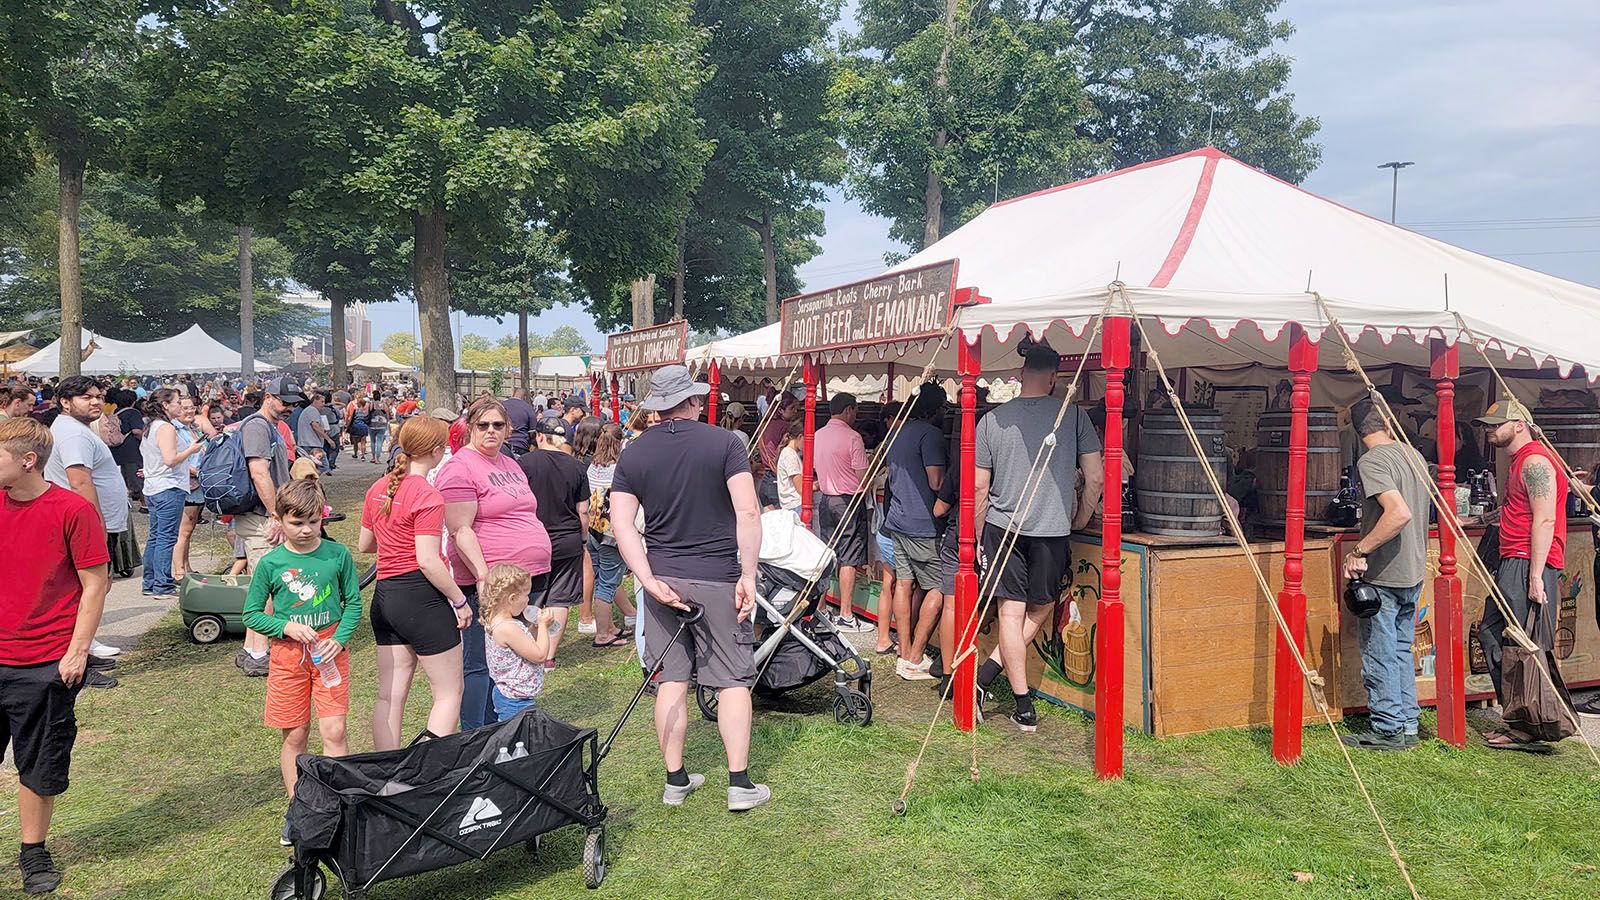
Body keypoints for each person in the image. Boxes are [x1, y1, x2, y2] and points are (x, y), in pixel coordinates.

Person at [609, 364, 770, 811]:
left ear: (658, 407)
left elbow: (622, 525)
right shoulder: (725, 443)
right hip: (718, 574)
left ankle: (675, 779)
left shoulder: (635, 453)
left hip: (663, 576)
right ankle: (739, 783)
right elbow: (749, 513)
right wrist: (749, 574)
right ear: (695, 402)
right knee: (733, 679)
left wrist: (646, 580)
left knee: (670, 679)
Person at [0, 417, 110, 893]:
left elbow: (95, 583)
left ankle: (33, 852)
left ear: (28, 461)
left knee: (37, 763)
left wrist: (77, 651)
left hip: (43, 662)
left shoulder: (71, 509)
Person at [972, 344, 1104, 732]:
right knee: (1040, 607)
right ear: (1052, 378)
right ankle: (1020, 701)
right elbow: (1095, 477)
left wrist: (981, 535)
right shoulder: (1074, 416)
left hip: (1002, 526)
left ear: (1019, 373)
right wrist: (1079, 517)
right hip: (1052, 528)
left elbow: (980, 488)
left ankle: (998, 688)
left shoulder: (991, 420)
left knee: (1011, 613)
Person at [242, 478, 361, 847]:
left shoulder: (337, 555)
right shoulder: (271, 563)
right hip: (287, 659)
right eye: (297, 523)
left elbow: (353, 604)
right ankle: (299, 811)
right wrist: (285, 626)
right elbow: (251, 615)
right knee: (296, 735)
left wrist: (338, 640)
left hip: (329, 656)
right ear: (279, 520)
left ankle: (335, 805)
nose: (307, 530)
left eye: (314, 521)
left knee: (335, 732)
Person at [436, 397, 554, 731]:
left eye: (497, 425)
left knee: (514, 655)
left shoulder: (510, 463)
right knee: (479, 662)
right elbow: (460, 528)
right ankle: (477, 732)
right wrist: (482, 575)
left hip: (527, 577)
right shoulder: (460, 467)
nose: (490, 431)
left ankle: (508, 722)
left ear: (508, 429)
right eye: (483, 425)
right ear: (470, 428)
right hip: (490, 583)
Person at [358, 417, 470, 750]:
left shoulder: (378, 488)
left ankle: (388, 775)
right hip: (421, 597)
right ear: (437, 451)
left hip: (385, 597)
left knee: (389, 697)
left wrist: (394, 540)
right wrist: (459, 600)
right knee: (449, 694)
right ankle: (425, 773)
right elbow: (428, 559)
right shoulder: (428, 495)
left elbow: (365, 544)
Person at [1474, 398, 1569, 751]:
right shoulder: (1521, 461)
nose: (1488, 430)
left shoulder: (1534, 461)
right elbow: (1521, 510)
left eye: (1494, 424)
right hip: (1517, 559)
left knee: (1523, 644)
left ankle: (1529, 724)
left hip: (1527, 561)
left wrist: (1534, 576)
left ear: (1518, 424)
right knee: (1496, 633)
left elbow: (1544, 519)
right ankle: (1518, 719)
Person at [1339, 398, 1430, 751]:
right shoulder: (1413, 454)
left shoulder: (1372, 460)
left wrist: (1360, 550)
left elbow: (1399, 513)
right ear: (1388, 423)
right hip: (1412, 568)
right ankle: (1407, 722)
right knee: (1401, 649)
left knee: (1380, 651)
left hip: (1387, 573)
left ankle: (1388, 726)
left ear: (1356, 430)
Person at [235, 378, 303, 678]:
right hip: (262, 517)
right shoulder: (257, 426)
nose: (289, 407)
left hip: (265, 515)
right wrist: (277, 515)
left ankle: (251, 649)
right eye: (284, 401)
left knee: (261, 586)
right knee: (270, 589)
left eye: (292, 403)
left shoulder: (268, 426)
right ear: (268, 397)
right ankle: (260, 654)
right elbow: (259, 472)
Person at [883, 384, 948, 680]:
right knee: (937, 588)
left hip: (898, 520)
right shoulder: (931, 435)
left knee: (904, 584)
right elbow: (936, 482)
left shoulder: (897, 432)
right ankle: (916, 656)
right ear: (936, 410)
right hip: (924, 524)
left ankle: (904, 649)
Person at [45, 377, 134, 592]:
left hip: (92, 522)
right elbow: (80, 482)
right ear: (65, 402)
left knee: (96, 587)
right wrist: (96, 524)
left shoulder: (75, 429)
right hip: (87, 524)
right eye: (86, 397)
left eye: (99, 397)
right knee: (93, 588)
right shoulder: (74, 434)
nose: (96, 402)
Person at [518, 418, 590, 662]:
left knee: (531, 594)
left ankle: (532, 648)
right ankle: (548, 655)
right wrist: (583, 538)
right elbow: (583, 510)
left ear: (539, 436)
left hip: (532, 537)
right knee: (560, 598)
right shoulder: (577, 467)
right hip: (567, 538)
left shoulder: (524, 463)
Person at [813, 393, 872, 634]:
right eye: (855, 411)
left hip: (826, 499)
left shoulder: (817, 435)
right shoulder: (853, 437)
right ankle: (846, 614)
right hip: (849, 500)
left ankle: (822, 606)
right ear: (848, 410)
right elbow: (862, 477)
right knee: (849, 556)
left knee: (827, 553)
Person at [140, 389, 205, 598]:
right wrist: (191, 450)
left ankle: (150, 582)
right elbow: (170, 459)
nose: (180, 405)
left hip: (153, 486)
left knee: (155, 536)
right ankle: (162, 584)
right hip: (169, 486)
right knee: (167, 537)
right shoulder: (166, 427)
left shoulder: (150, 426)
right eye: (177, 402)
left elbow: (149, 453)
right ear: (166, 405)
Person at [480, 563, 556, 721]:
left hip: (511, 696)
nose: (528, 600)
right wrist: (543, 625)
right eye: (526, 595)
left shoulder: (498, 622)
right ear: (512, 598)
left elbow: (526, 647)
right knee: (518, 740)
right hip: (515, 701)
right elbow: (540, 655)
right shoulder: (508, 628)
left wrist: (534, 629)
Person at [585, 424, 639, 646]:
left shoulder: (592, 467)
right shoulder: (619, 469)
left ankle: (609, 627)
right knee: (608, 583)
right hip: (611, 532)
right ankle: (602, 634)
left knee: (602, 579)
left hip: (593, 530)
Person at [109, 389, 144, 502]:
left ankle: (129, 496)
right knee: (137, 476)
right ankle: (144, 503)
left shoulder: (114, 413)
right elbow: (136, 431)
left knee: (124, 476)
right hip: (132, 449)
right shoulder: (134, 413)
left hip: (116, 449)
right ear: (133, 401)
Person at [756, 393, 798, 469]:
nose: (795, 411)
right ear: (780, 410)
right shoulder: (785, 426)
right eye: (792, 408)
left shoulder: (764, 424)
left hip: (767, 468)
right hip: (778, 468)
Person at [774, 419, 805, 514]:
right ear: (800, 436)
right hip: (795, 505)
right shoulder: (790, 455)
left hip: (792, 505)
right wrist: (819, 485)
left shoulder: (791, 453)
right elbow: (800, 488)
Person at [503, 387, 539, 457]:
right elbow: (533, 431)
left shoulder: (501, 405)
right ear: (525, 397)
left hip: (502, 444)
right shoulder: (528, 408)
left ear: (512, 394)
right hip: (521, 445)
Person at [321, 395, 345, 471]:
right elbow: (340, 416)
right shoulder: (333, 409)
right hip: (334, 429)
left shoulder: (319, 409)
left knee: (325, 448)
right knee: (335, 448)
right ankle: (331, 463)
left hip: (323, 430)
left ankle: (326, 463)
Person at [367, 395, 391, 464]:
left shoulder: (371, 404)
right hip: (382, 425)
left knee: (373, 441)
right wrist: (387, 422)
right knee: (379, 442)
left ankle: (373, 457)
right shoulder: (384, 405)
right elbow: (387, 414)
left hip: (372, 424)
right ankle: (377, 458)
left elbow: (367, 413)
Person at [347, 397, 372, 461]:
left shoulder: (356, 410)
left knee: (356, 442)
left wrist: (348, 426)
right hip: (364, 426)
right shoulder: (366, 411)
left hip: (356, 426)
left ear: (360, 404)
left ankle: (355, 454)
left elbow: (351, 419)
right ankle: (363, 456)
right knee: (363, 442)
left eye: (358, 403)